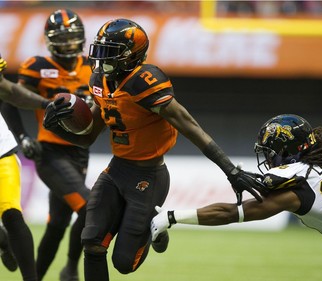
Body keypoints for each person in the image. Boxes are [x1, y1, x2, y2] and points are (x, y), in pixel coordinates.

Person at [42, 18, 265, 281]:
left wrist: (231, 171)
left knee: (124, 263)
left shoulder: (144, 81)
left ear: (130, 55)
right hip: (116, 171)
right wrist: (57, 127)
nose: (101, 59)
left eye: (109, 51)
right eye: (100, 50)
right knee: (91, 242)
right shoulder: (99, 81)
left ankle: (152, 225)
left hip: (149, 176)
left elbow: (189, 125)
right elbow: (87, 137)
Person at [151, 114, 322, 262]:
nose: (268, 158)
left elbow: (234, 213)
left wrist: (173, 217)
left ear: (286, 151)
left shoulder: (298, 190)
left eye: (270, 151)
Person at [2, 9, 92, 281]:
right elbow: (9, 99)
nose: (67, 44)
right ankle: (72, 269)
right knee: (90, 209)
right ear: (50, 41)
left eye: (71, 38)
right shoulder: (37, 65)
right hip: (50, 152)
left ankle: (42, 275)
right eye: (61, 39)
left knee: (58, 225)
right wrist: (23, 137)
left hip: (80, 152)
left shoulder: (93, 66)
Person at [0, 56, 49, 280]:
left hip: (0, 153)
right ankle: (2, 240)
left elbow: (9, 91)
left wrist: (45, 104)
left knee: (11, 213)